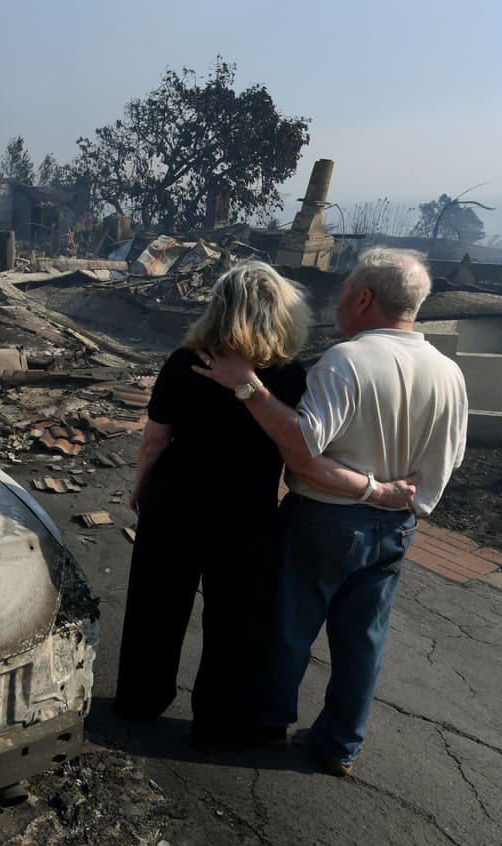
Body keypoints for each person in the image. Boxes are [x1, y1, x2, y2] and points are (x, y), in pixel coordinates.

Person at [115, 261, 414, 750]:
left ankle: (139, 700)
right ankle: (218, 724)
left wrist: (141, 486)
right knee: (235, 621)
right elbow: (301, 447)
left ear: (219, 306)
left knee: (156, 606)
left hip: (174, 502)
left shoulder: (183, 360)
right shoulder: (291, 378)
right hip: (245, 512)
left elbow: (154, 440)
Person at [195, 248, 468, 775]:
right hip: (396, 528)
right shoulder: (449, 372)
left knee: (290, 628)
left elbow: (302, 446)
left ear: (364, 298)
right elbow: (448, 459)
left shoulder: (347, 360)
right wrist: (401, 497)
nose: (338, 299)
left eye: (345, 289)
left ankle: (271, 725)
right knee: (363, 641)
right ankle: (341, 745)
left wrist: (247, 386)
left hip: (324, 519)